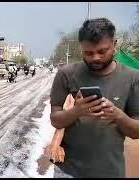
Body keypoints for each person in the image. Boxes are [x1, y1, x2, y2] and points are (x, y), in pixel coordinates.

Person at [50, 17, 139, 178]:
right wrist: (77, 111)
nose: (95, 58)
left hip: (110, 172)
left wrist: (117, 115)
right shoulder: (66, 74)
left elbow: (136, 132)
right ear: (81, 47)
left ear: (115, 45)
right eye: (88, 53)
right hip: (68, 172)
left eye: (102, 51)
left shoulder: (133, 78)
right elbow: (55, 120)